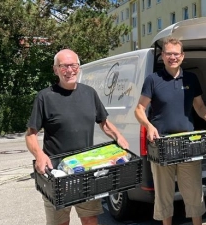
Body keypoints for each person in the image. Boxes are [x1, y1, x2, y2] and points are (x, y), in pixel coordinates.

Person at [25, 49, 129, 225]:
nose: (69, 70)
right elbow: (30, 134)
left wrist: (118, 135)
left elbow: (103, 121)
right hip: (57, 172)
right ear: (55, 69)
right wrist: (39, 155)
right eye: (63, 66)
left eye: (73, 65)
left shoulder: (89, 93)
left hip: (85, 169)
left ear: (79, 68)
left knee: (90, 219)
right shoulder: (45, 97)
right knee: (60, 222)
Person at [134, 36, 206, 225]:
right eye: (168, 54)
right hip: (161, 145)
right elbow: (139, 109)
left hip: (188, 144)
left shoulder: (191, 78)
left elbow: (199, 106)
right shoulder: (153, 79)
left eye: (176, 54)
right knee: (164, 194)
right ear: (163, 56)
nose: (172, 57)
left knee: (194, 192)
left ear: (182, 56)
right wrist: (148, 126)